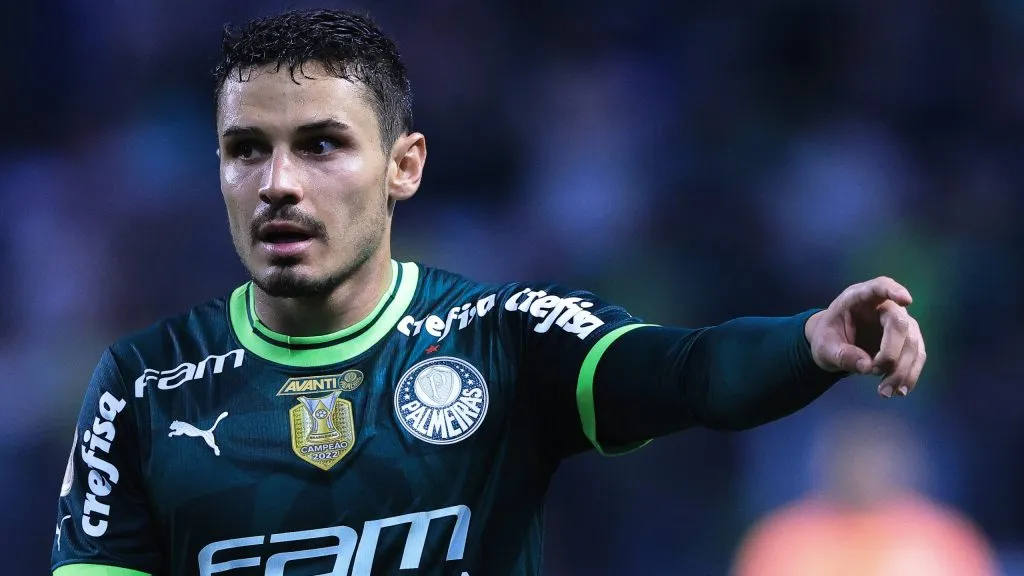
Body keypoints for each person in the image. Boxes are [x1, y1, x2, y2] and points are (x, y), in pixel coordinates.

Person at [50, 8, 927, 576]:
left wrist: (805, 342)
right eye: (247, 149)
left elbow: (683, 370)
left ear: (405, 165)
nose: (278, 182)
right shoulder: (142, 384)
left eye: (321, 145)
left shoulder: (499, 337)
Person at [732, 411, 996, 576]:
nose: (866, 465)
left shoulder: (945, 540)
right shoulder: (784, 538)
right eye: (855, 452)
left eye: (877, 452)